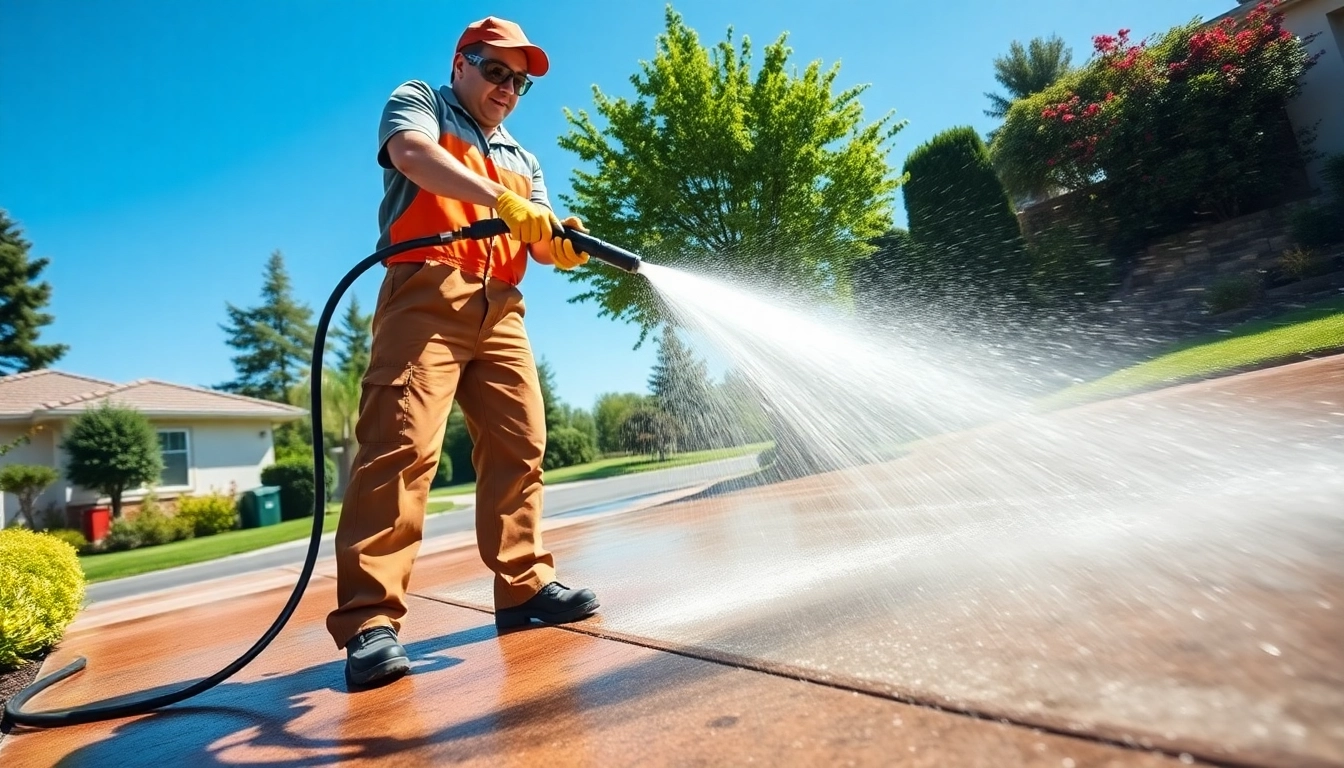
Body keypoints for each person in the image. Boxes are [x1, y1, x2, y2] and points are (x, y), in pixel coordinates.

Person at [327, 15, 599, 688]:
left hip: (502, 306)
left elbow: (537, 239)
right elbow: (415, 157)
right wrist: (502, 200)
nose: (508, 87)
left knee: (521, 442)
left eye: (521, 81)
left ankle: (525, 587)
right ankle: (370, 622)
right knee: (401, 445)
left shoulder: (523, 158)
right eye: (497, 70)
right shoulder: (419, 100)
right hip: (425, 289)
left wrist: (558, 242)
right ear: (462, 64)